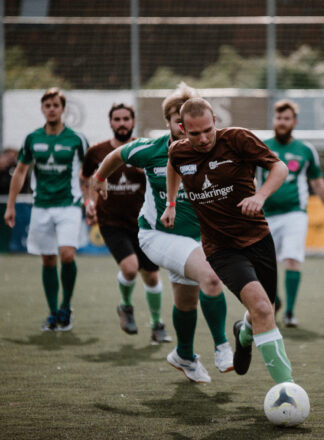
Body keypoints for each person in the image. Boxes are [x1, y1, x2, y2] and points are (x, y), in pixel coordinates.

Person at [92, 83, 233, 383]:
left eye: (193, 124)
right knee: (211, 277)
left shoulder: (210, 150)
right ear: (168, 122)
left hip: (195, 239)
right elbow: (118, 154)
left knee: (186, 303)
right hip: (157, 236)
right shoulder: (152, 149)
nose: (186, 128)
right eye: (177, 121)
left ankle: (183, 354)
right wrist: (100, 177)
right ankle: (222, 346)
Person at [162, 97, 296, 387]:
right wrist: (171, 203)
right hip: (220, 248)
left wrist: (259, 197)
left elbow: (280, 168)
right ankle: (287, 391)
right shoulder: (179, 151)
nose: (203, 138)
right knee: (262, 308)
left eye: (208, 130)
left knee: (263, 311)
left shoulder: (237, 139)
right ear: (183, 129)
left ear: (215, 122)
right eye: (194, 133)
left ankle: (244, 332)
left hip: (257, 239)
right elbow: (173, 164)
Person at [81, 103, 171, 343]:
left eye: (126, 119)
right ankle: (126, 306)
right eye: (117, 119)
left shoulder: (144, 149)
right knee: (130, 268)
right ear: (110, 122)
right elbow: (85, 177)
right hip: (111, 222)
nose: (121, 123)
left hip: (144, 222)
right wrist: (88, 202)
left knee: (151, 277)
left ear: (133, 122)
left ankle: (156, 324)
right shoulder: (96, 152)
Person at [4, 87, 88, 331]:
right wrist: (10, 206)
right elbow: (20, 172)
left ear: (63, 109)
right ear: (43, 109)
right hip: (41, 206)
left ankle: (66, 306)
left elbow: (88, 173)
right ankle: (52, 313)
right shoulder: (32, 138)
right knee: (48, 259)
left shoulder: (77, 138)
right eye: (47, 105)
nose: (51, 109)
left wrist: (90, 200)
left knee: (67, 254)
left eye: (55, 105)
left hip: (69, 206)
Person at [262, 99, 324, 327]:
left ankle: (290, 314)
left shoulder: (305, 150)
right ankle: (275, 301)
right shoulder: (261, 147)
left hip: (295, 214)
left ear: (294, 122)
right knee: (265, 267)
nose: (282, 122)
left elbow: (318, 183)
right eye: (278, 118)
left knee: (292, 259)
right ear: (274, 120)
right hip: (265, 215)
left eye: (286, 119)